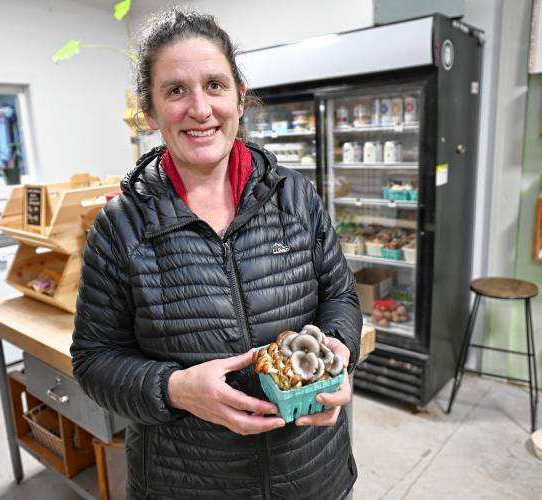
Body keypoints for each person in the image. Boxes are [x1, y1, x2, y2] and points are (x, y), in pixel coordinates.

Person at [71, 8, 362, 499]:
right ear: (150, 111)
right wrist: (174, 388)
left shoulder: (295, 197)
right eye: (176, 90)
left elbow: (340, 295)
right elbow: (94, 360)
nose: (200, 109)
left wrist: (336, 353)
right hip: (186, 482)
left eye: (215, 85)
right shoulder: (120, 227)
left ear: (240, 96)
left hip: (312, 473)